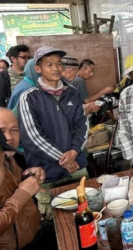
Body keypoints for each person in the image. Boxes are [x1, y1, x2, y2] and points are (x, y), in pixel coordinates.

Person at [18, 46, 89, 189]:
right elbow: (33, 137)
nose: (56, 68)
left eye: (58, 63)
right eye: (49, 64)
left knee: (89, 207)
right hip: (46, 173)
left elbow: (83, 124)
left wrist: (74, 152)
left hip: (77, 167)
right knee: (53, 211)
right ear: (38, 69)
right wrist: (65, 160)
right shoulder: (29, 98)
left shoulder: (72, 93)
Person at [0, 108, 58, 250]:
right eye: (1, 131)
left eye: (14, 130)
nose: (8, 137)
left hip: (33, 233)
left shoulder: (10, 158)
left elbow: (12, 187)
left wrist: (28, 176)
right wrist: (23, 193)